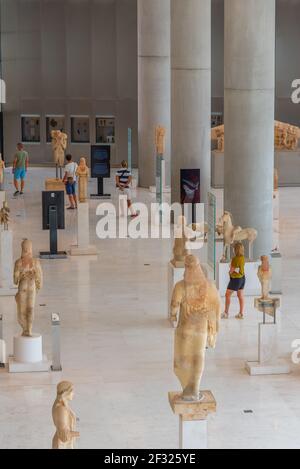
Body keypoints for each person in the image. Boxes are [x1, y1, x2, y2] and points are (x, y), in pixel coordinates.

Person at [222, 242, 246, 320]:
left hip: (235, 280)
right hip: (242, 279)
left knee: (227, 295)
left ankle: (226, 313)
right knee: (240, 296)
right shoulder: (242, 258)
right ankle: (241, 313)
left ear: (236, 250)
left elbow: (232, 270)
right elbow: (239, 268)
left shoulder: (235, 259)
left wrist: (230, 271)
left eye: (233, 248)